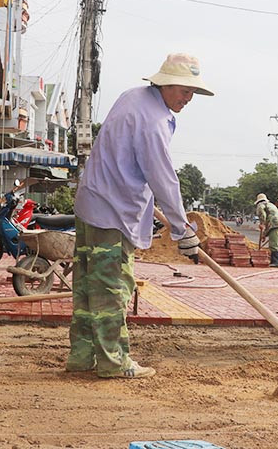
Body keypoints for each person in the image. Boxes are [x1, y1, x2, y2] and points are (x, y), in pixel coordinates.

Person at [67, 53, 214, 379]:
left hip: (92, 202)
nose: (189, 98)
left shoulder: (132, 97)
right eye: (185, 91)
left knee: (87, 287)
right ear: (166, 84)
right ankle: (113, 362)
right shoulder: (154, 122)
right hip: (113, 212)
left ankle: (82, 356)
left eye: (192, 92)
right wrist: (182, 229)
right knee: (111, 288)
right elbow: (163, 178)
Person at [255, 193, 278, 267]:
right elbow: (268, 224)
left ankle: (276, 262)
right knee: (277, 245)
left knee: (273, 245)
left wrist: (262, 223)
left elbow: (262, 214)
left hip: (274, 224)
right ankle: (276, 261)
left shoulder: (260, 205)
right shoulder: (271, 205)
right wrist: (264, 235)